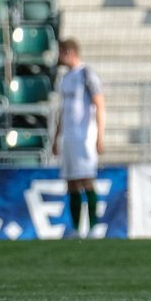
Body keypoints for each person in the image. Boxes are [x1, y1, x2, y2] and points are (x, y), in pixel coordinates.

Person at [54, 38, 106, 239]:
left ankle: (93, 227)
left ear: (69, 52)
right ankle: (76, 228)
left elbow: (99, 104)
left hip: (84, 136)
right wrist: (56, 137)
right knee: (71, 182)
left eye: (60, 52)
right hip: (68, 137)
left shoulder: (87, 74)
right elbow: (62, 111)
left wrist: (99, 136)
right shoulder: (65, 78)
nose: (58, 57)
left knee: (86, 180)